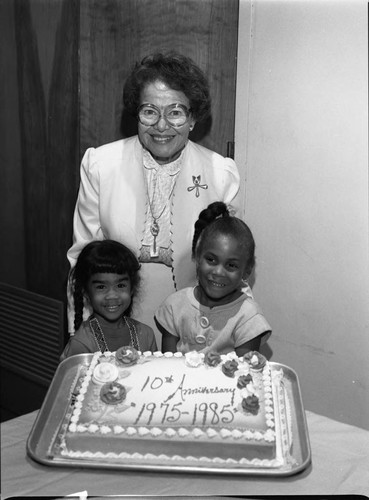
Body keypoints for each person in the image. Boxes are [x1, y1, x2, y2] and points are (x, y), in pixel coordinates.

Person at [67, 51, 241, 346]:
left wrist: (234, 336)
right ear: (136, 113)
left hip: (195, 324)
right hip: (116, 320)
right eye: (149, 111)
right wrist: (80, 334)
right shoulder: (100, 165)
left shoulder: (221, 173)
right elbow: (82, 260)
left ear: (193, 118)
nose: (161, 126)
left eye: (175, 112)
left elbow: (233, 262)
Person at [154, 202, 271, 356]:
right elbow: (168, 366)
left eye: (231, 265)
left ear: (246, 271)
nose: (218, 272)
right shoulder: (175, 306)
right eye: (211, 260)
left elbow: (243, 375)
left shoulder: (248, 317)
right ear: (197, 257)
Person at [61, 240, 157, 361]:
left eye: (120, 285)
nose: (112, 295)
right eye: (101, 287)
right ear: (85, 292)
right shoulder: (81, 344)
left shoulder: (146, 334)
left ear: (132, 288)